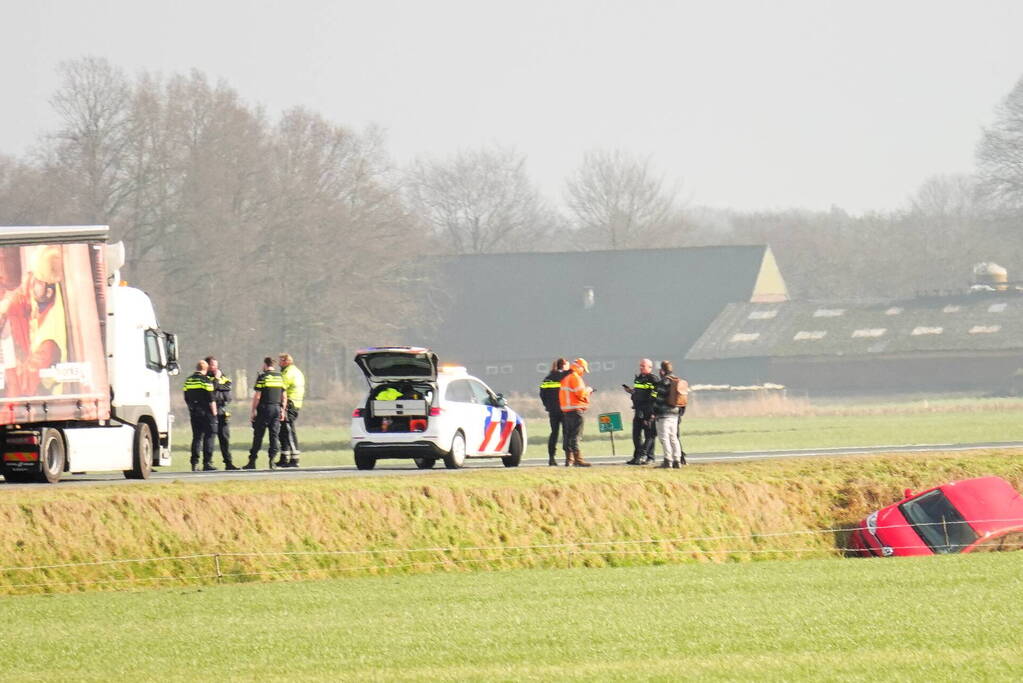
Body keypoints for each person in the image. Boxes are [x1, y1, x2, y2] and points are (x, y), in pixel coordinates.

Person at [245, 357, 286, 470]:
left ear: (265, 364)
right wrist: (283, 410)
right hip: (276, 408)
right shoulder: (280, 377)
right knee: (274, 436)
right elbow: (284, 396)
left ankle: (252, 461)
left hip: (264, 409)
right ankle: (272, 461)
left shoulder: (262, 377)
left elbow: (257, 396)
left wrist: (253, 410)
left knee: (258, 436)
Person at [182, 359, 217, 472]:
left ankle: (194, 463)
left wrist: (191, 407)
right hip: (206, 412)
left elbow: (186, 397)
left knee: (197, 437)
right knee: (209, 436)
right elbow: (211, 399)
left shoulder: (188, 380)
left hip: (194, 412)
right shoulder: (205, 380)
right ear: (205, 369)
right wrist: (214, 413)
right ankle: (207, 462)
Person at [559, 357, 593, 467]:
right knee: (576, 436)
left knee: (568, 435)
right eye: (583, 369)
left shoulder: (565, 378)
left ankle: (569, 459)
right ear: (580, 367)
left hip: (567, 411)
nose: (583, 372)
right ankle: (578, 459)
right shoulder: (575, 377)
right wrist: (589, 390)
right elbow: (581, 393)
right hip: (576, 411)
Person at [205, 356, 238, 470]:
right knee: (210, 438)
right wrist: (217, 382)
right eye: (213, 365)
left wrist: (218, 384)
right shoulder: (205, 377)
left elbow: (228, 386)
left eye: (216, 364)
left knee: (225, 438)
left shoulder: (222, 376)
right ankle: (207, 463)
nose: (216, 367)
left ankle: (229, 463)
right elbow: (211, 389)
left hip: (223, 411)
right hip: (211, 412)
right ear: (208, 365)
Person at [623, 358, 657, 465]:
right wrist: (631, 391)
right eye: (640, 366)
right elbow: (637, 393)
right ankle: (637, 456)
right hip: (638, 409)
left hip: (647, 410)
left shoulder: (653, 379)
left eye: (643, 366)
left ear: (650, 367)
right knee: (636, 435)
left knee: (649, 434)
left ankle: (649, 457)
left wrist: (652, 413)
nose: (641, 367)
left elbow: (654, 397)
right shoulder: (638, 379)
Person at [653, 360, 685, 469]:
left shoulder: (664, 382)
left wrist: (654, 412)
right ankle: (677, 460)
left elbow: (659, 399)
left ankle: (668, 460)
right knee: (673, 437)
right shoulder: (677, 380)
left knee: (664, 438)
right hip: (675, 413)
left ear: (662, 370)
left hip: (664, 414)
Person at [539, 357, 570, 467]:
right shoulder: (567, 377)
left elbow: (542, 394)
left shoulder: (548, 378)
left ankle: (551, 458)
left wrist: (547, 406)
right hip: (565, 409)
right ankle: (568, 459)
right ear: (564, 365)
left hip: (553, 410)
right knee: (567, 433)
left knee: (554, 433)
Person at [277, 353, 306, 468]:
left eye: (280, 361)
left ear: (286, 361)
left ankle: (294, 458)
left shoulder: (288, 373)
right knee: (283, 431)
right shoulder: (295, 371)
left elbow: (281, 388)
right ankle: (284, 457)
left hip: (290, 404)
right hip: (294, 403)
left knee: (288, 430)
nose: (279, 363)